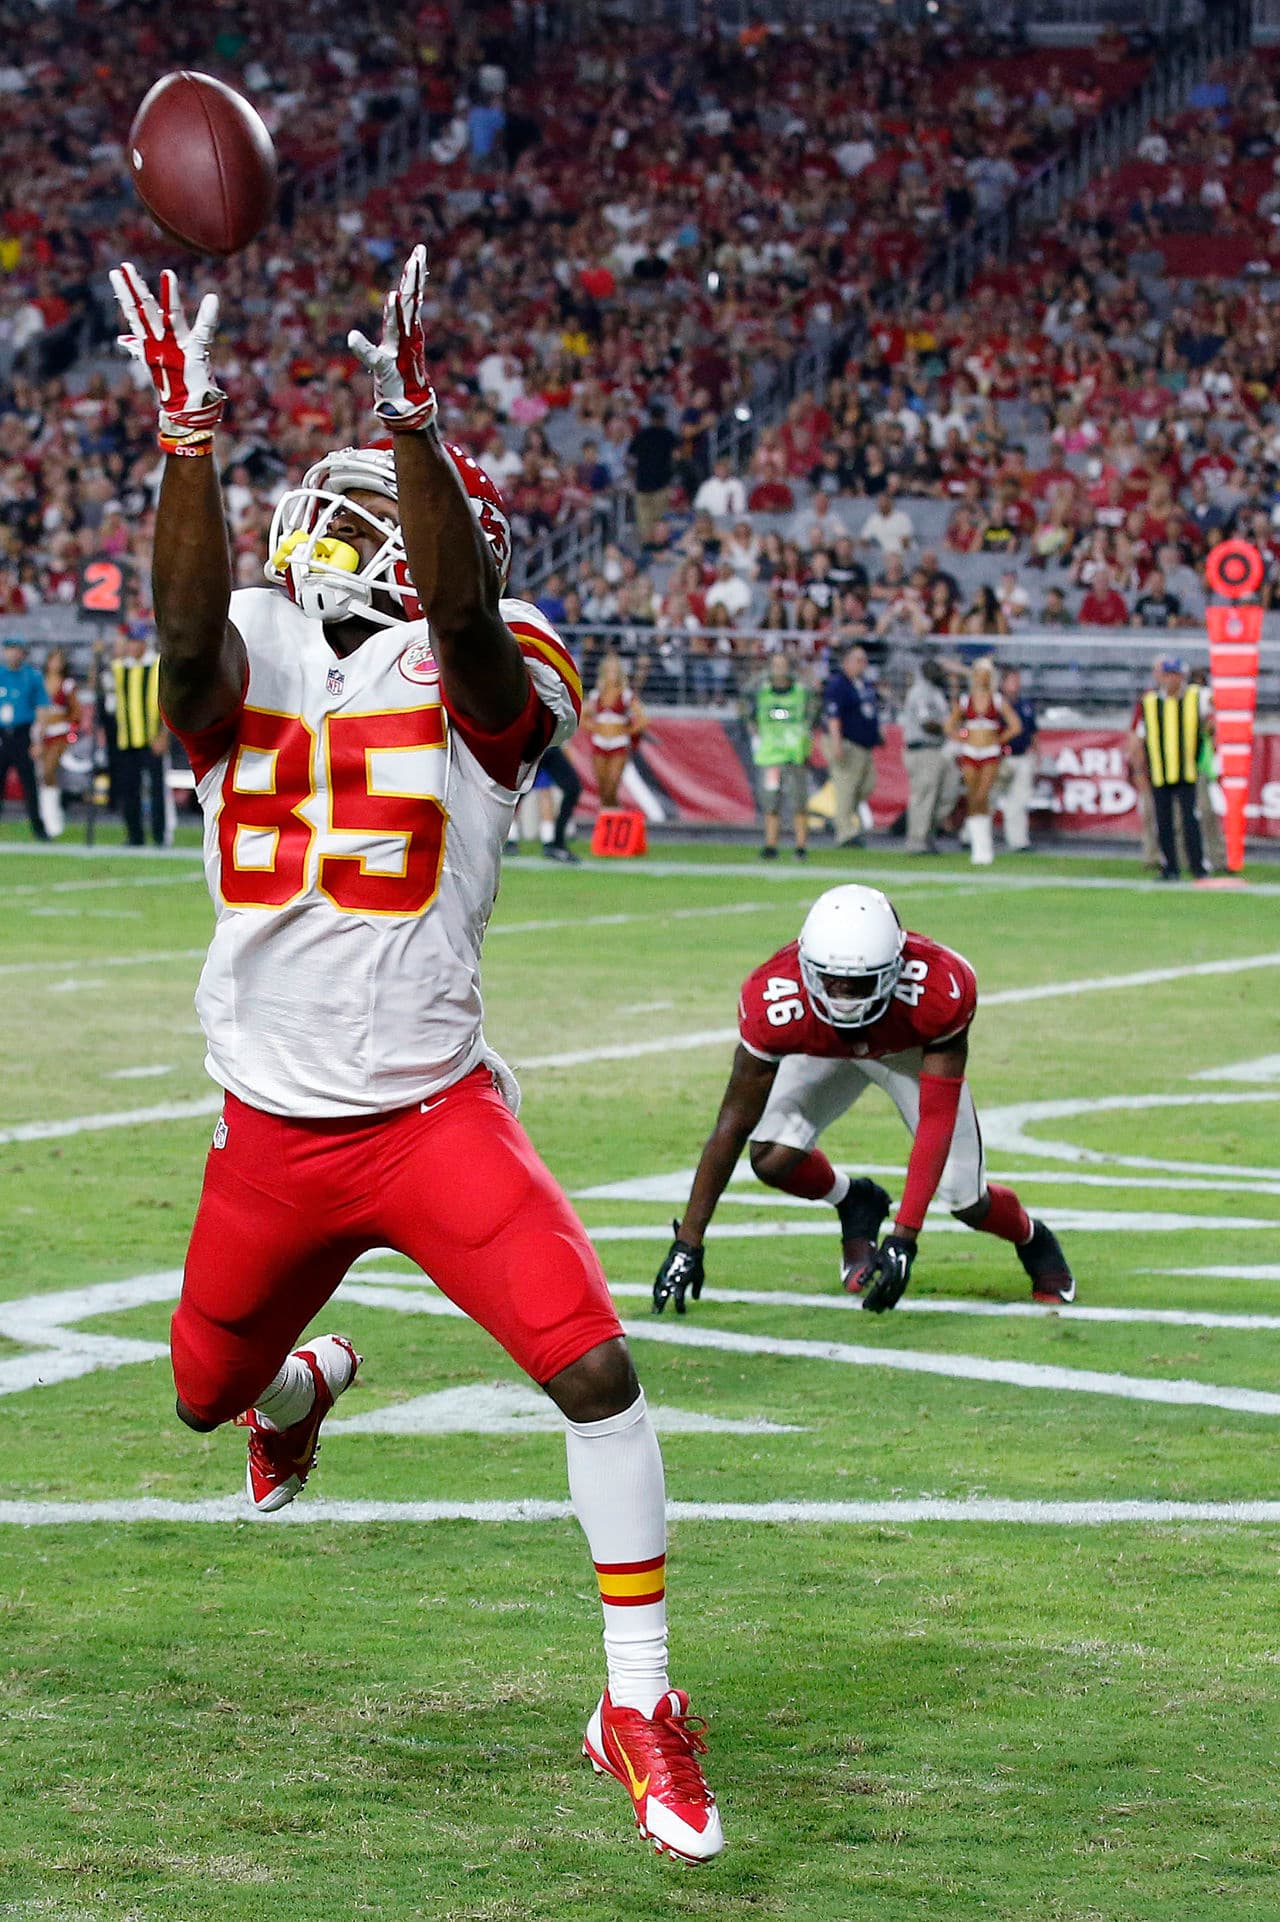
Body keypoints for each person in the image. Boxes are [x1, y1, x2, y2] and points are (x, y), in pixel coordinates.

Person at [110, 250, 722, 1864]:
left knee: (596, 1370)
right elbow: (182, 648)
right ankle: (303, 1384)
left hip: (435, 1114)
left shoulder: (488, 651)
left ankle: (638, 1704)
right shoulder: (247, 640)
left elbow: (465, 626)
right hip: (275, 1132)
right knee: (197, 1397)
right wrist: (190, 441)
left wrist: (417, 422)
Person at [652, 885, 1076, 1315]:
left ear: (895, 966)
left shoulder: (938, 988)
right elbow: (734, 1121)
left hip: (906, 1051)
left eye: (859, 982)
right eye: (831, 979)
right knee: (773, 1158)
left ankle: (1032, 1237)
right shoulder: (774, 998)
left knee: (965, 1198)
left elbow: (935, 1119)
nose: (844, 996)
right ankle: (855, 1200)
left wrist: (904, 1237)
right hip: (825, 1049)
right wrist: (688, 1242)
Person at [1128, 655, 1209, 881]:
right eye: (1168, 675)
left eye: (1175, 675)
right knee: (1163, 823)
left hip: (1187, 771)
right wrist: (1138, 769)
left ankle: (1197, 866)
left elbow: (1212, 716)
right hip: (1160, 771)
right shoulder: (1150, 702)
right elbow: (1139, 738)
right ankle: (1170, 867)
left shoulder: (1196, 697)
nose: (1171, 680)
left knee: (1190, 821)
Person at [945, 658, 1018, 867]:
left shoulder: (997, 700)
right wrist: (961, 737)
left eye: (985, 674)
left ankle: (984, 846)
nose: (981, 678)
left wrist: (999, 739)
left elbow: (1015, 725)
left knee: (982, 795)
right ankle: (978, 846)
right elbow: (949, 725)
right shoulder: (966, 701)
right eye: (978, 673)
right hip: (970, 752)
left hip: (990, 752)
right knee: (972, 797)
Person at [109, 627, 170, 848]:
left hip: (152, 738)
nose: (131, 646)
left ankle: (160, 835)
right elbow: (97, 679)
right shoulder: (120, 667)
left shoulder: (156, 666)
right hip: (127, 739)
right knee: (129, 789)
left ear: (144, 643)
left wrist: (164, 734)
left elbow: (167, 701)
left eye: (135, 642)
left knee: (156, 790)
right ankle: (134, 835)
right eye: (129, 642)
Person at [752, 650, 812, 861]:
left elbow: (812, 713)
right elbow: (746, 705)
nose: (778, 670)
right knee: (770, 803)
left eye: (782, 665)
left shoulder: (801, 693)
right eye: (775, 665)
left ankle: (801, 845)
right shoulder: (762, 693)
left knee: (799, 802)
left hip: (794, 754)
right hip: (771, 757)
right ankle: (770, 844)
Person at [821, 642, 881, 847]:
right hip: (846, 742)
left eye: (864, 660)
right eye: (858, 660)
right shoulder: (839, 684)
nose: (863, 664)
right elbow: (833, 716)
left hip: (863, 745)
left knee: (866, 785)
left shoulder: (863, 683)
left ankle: (841, 819)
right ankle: (845, 832)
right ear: (846, 662)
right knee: (846, 787)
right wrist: (836, 743)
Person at [899, 656, 952, 855]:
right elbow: (926, 722)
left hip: (936, 748)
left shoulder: (936, 692)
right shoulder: (920, 692)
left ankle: (927, 833)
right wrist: (949, 727)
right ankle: (916, 840)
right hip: (922, 748)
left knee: (944, 794)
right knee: (923, 795)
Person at [582, 651, 646, 810]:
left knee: (612, 785)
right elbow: (582, 717)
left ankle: (614, 817)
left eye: (615, 670)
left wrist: (626, 731)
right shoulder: (596, 695)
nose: (612, 673)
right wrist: (595, 728)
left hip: (619, 743)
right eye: (609, 670)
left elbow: (643, 719)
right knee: (603, 789)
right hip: (600, 742)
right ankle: (609, 819)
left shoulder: (625, 695)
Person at [0, 637, 50, 839]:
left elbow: (42, 709)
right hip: (2, 734)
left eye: (16, 649)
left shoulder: (32, 676)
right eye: (9, 649)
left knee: (29, 784)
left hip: (22, 734)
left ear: (23, 653)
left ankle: (38, 828)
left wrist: (38, 741)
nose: (12, 653)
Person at [33, 646, 80, 838]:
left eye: (59, 660)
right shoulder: (39, 681)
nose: (56, 664)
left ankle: (53, 818)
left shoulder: (67, 684)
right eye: (53, 660)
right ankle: (47, 815)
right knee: (43, 775)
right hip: (41, 731)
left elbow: (76, 711)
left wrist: (67, 724)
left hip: (60, 732)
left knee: (49, 770)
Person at [994, 665, 1037, 853]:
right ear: (1002, 683)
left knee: (1019, 800)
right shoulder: (995, 704)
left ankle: (1018, 841)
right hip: (1000, 757)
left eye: (1018, 679)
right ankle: (970, 836)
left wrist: (1037, 751)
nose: (1017, 684)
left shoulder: (1025, 704)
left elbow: (1033, 731)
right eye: (1012, 680)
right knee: (987, 798)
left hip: (1021, 755)